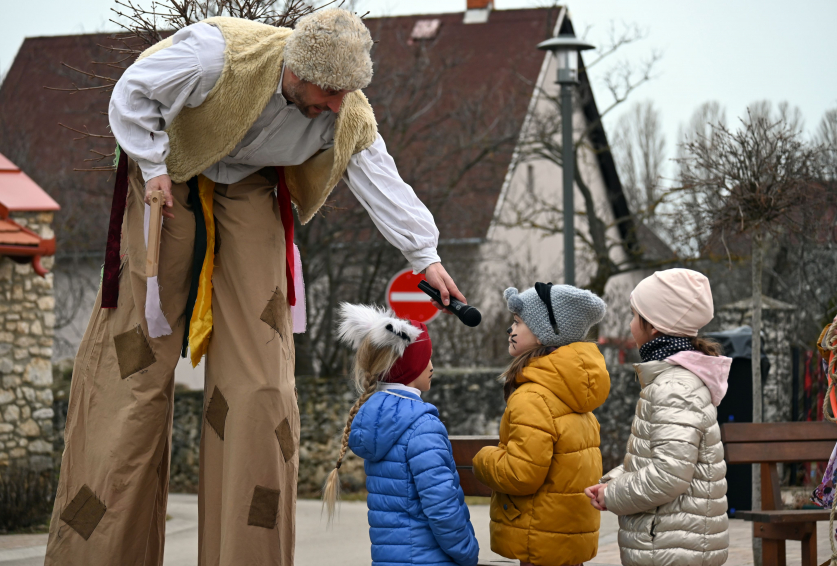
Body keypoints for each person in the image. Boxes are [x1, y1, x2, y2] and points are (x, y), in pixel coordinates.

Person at [45, 9, 465, 566]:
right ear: (296, 71)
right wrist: (151, 166)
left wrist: (425, 256)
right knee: (133, 370)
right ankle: (93, 555)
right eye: (330, 91)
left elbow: (379, 179)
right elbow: (132, 92)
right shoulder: (215, 55)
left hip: (251, 188)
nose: (339, 104)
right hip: (172, 169)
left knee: (259, 384)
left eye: (347, 93)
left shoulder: (347, 109)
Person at [584, 268, 731, 566]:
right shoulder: (674, 381)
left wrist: (613, 495)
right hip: (673, 541)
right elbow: (663, 461)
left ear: (653, 326)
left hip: (671, 545)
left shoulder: (674, 387)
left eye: (634, 315)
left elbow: (668, 475)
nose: (629, 324)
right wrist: (613, 482)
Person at [322, 303, 479, 566]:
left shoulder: (375, 420)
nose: (431, 366)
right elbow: (442, 507)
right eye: (426, 357)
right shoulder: (422, 426)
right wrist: (468, 553)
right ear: (412, 367)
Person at [472, 283, 609, 566]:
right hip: (568, 535)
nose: (510, 330)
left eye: (518, 322)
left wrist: (483, 459)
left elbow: (521, 475)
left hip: (539, 537)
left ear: (545, 333)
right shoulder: (575, 394)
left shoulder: (532, 397)